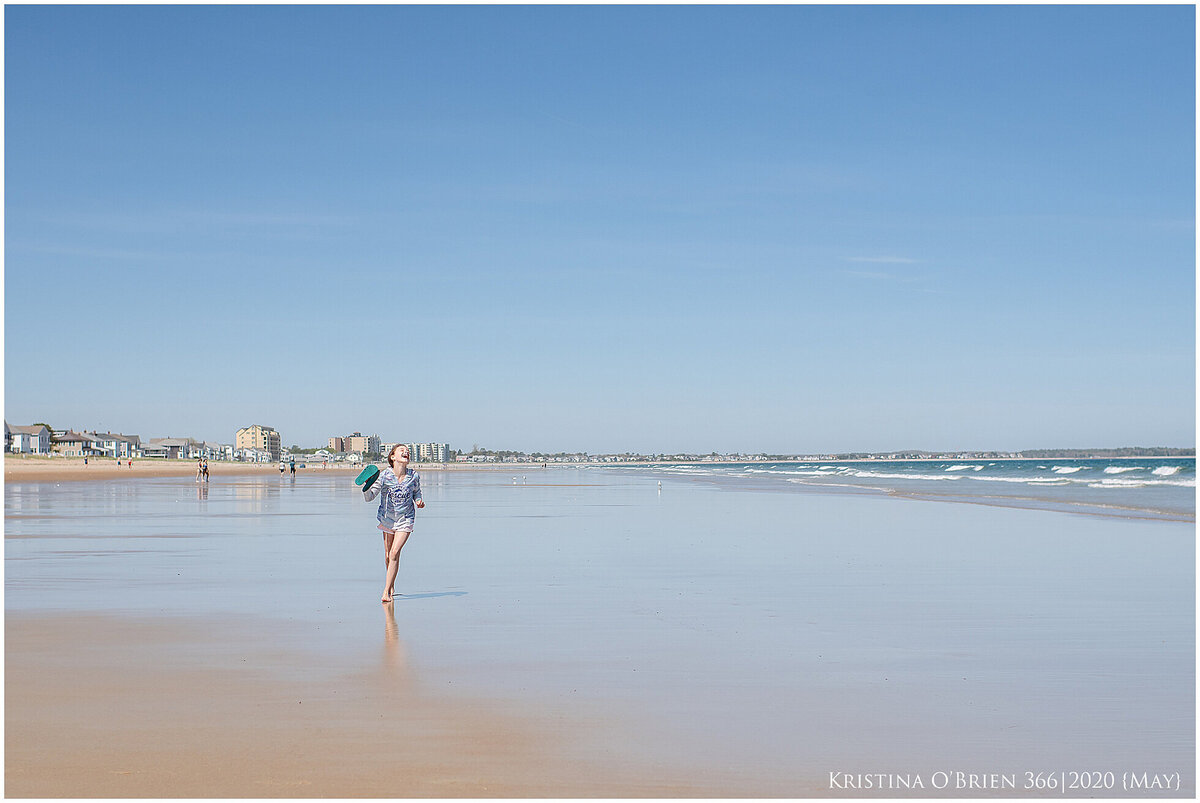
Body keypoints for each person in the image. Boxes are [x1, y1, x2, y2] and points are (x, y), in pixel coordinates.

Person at [363, 444, 424, 603]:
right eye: (402, 450)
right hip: (387, 519)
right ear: (392, 457)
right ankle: (391, 584)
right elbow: (369, 497)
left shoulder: (414, 476)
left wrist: (418, 501)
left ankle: (386, 591)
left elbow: (417, 492)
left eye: (408, 451)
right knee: (388, 555)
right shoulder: (384, 476)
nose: (406, 452)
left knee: (395, 553)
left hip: (406, 518)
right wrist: (366, 487)